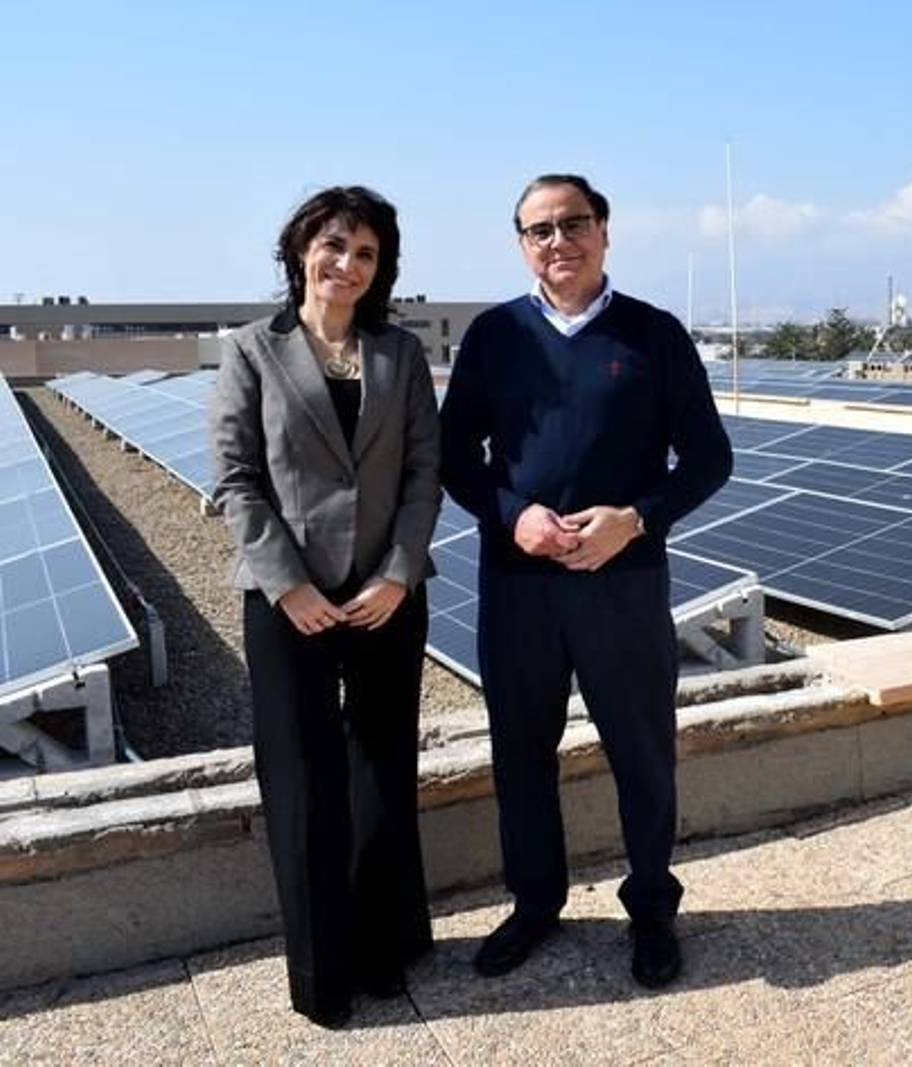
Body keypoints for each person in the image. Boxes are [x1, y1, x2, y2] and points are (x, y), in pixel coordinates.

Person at [439, 173, 732, 989]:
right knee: (520, 752)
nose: (558, 241)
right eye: (540, 229)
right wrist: (512, 513)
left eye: (574, 224)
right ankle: (536, 904)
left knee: (643, 753)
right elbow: (455, 456)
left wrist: (633, 519)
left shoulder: (655, 336)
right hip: (518, 585)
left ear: (605, 231)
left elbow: (710, 459)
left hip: (624, 583)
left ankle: (651, 910)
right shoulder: (494, 337)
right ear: (520, 243)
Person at [210, 185, 442, 1028]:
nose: (348, 264)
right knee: (303, 783)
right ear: (300, 248)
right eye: (335, 245)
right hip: (289, 601)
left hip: (387, 593)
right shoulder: (249, 350)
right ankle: (321, 975)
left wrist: (398, 575)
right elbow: (236, 479)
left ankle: (387, 949)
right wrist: (290, 586)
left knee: (382, 771)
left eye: (367, 253)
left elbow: (424, 473)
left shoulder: (399, 356)